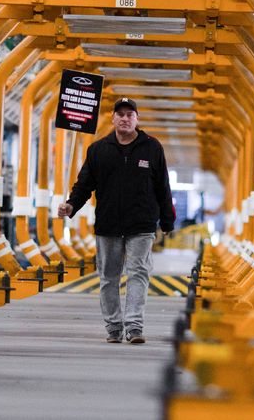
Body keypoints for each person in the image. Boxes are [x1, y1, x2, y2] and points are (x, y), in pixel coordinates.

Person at [58, 97, 175, 344]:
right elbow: (84, 185)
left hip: (141, 225)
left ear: (137, 119)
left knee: (138, 274)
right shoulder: (98, 149)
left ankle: (134, 326)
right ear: (112, 119)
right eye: (120, 114)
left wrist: (167, 221)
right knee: (109, 277)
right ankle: (113, 326)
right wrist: (70, 205)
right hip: (108, 225)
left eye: (129, 114)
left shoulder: (152, 148)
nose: (124, 118)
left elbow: (163, 187)